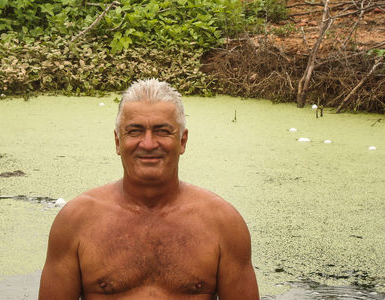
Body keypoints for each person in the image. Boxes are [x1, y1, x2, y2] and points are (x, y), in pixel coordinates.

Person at [39, 79, 259, 299]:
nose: (148, 144)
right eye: (135, 131)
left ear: (182, 141)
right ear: (117, 141)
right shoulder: (76, 222)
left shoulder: (223, 224)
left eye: (162, 131)